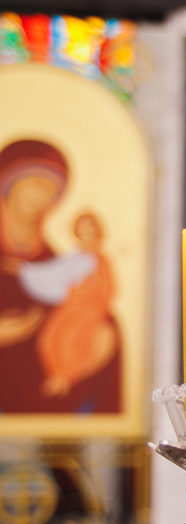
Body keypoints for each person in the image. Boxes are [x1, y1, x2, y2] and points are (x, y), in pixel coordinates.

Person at [0, 139, 121, 414]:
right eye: (36, 183)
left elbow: (97, 325)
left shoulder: (59, 265)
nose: (43, 197)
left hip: (56, 402)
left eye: (53, 191)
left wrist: (90, 353)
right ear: (7, 183)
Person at [36, 212, 119, 399]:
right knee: (47, 338)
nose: (86, 234)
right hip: (70, 304)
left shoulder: (100, 259)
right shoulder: (74, 258)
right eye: (82, 230)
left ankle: (67, 375)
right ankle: (55, 374)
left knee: (69, 336)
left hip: (91, 307)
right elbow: (57, 279)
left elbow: (109, 288)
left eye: (89, 229)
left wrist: (100, 308)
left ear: (97, 232)